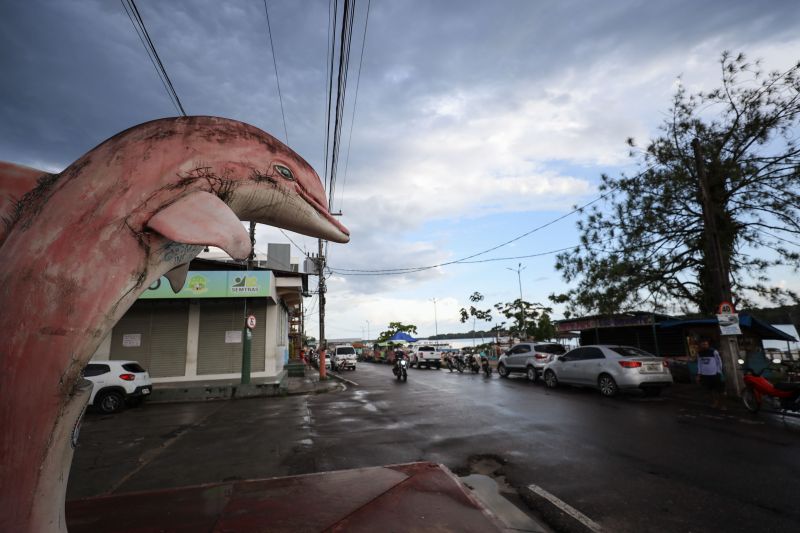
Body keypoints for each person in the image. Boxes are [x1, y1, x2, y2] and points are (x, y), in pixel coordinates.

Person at [696, 338, 726, 410]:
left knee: (721, 391)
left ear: (708, 344)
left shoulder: (714, 352)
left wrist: (718, 371)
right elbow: (699, 364)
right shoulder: (699, 353)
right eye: (703, 344)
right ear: (700, 345)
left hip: (715, 374)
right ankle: (715, 402)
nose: (704, 345)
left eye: (705, 344)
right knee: (710, 391)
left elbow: (719, 362)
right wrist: (699, 374)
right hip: (705, 375)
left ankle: (722, 404)